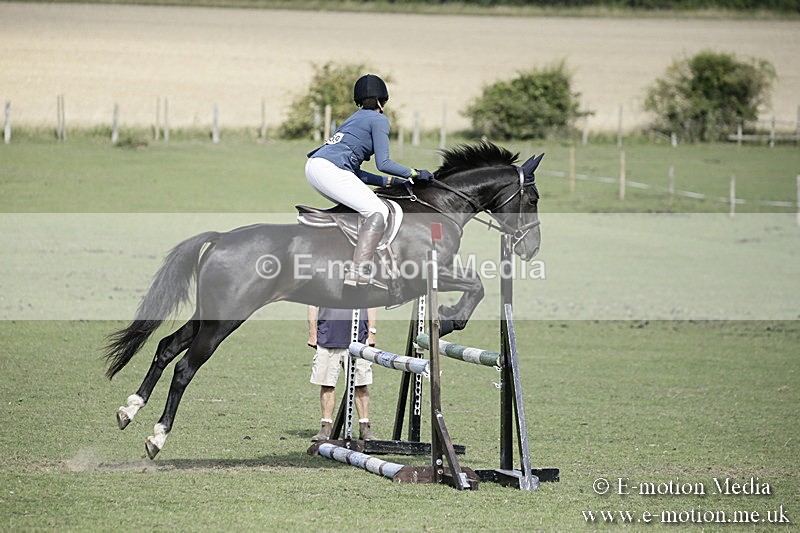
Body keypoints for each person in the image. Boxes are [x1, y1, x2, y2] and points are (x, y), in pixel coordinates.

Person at [305, 74, 433, 287]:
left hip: (315, 167)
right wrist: (414, 173)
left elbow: (355, 173)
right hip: (330, 170)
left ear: (359, 100)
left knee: (362, 207)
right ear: (382, 101)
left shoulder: (353, 119)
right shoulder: (379, 120)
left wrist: (389, 183)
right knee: (378, 212)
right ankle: (359, 270)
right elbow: (383, 163)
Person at [308, 305, 378, 441]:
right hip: (327, 337)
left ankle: (365, 427)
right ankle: (326, 426)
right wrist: (312, 333)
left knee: (361, 386)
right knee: (327, 385)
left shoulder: (362, 282)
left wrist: (372, 332)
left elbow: (371, 303)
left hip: (359, 339)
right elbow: (313, 303)